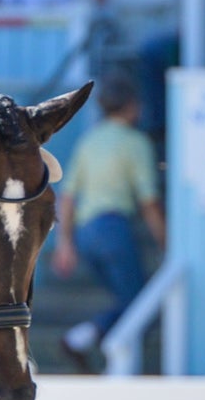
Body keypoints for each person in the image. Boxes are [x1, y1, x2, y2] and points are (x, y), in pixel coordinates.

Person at [52, 74, 165, 371]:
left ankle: (99, 352)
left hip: (86, 234)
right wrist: (166, 242)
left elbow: (68, 197)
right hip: (114, 229)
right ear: (132, 106)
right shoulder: (136, 142)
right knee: (140, 307)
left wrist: (65, 244)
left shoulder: (90, 140)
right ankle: (87, 339)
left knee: (128, 301)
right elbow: (149, 201)